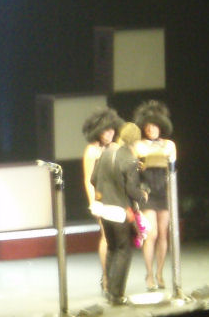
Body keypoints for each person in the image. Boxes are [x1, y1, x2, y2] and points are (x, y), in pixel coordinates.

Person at [90, 121, 148, 306]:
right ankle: (117, 295)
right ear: (136, 140)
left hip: (103, 209)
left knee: (112, 249)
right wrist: (143, 195)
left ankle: (109, 289)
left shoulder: (106, 153)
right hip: (121, 212)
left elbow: (93, 179)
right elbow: (131, 190)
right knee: (123, 251)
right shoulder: (130, 160)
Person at [134, 100, 176, 291]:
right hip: (148, 193)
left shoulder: (169, 144)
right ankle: (149, 274)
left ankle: (159, 273)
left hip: (164, 192)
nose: (151, 129)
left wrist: (156, 153)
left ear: (161, 126)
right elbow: (138, 161)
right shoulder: (139, 145)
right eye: (148, 126)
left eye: (154, 126)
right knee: (152, 234)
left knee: (163, 234)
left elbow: (172, 162)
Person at [81, 107, 124, 295]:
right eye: (106, 130)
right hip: (102, 199)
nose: (110, 133)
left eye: (112, 129)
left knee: (119, 240)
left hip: (118, 198)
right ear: (98, 131)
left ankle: (115, 277)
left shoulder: (116, 148)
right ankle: (106, 277)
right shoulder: (91, 151)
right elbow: (87, 179)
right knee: (107, 237)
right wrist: (93, 203)